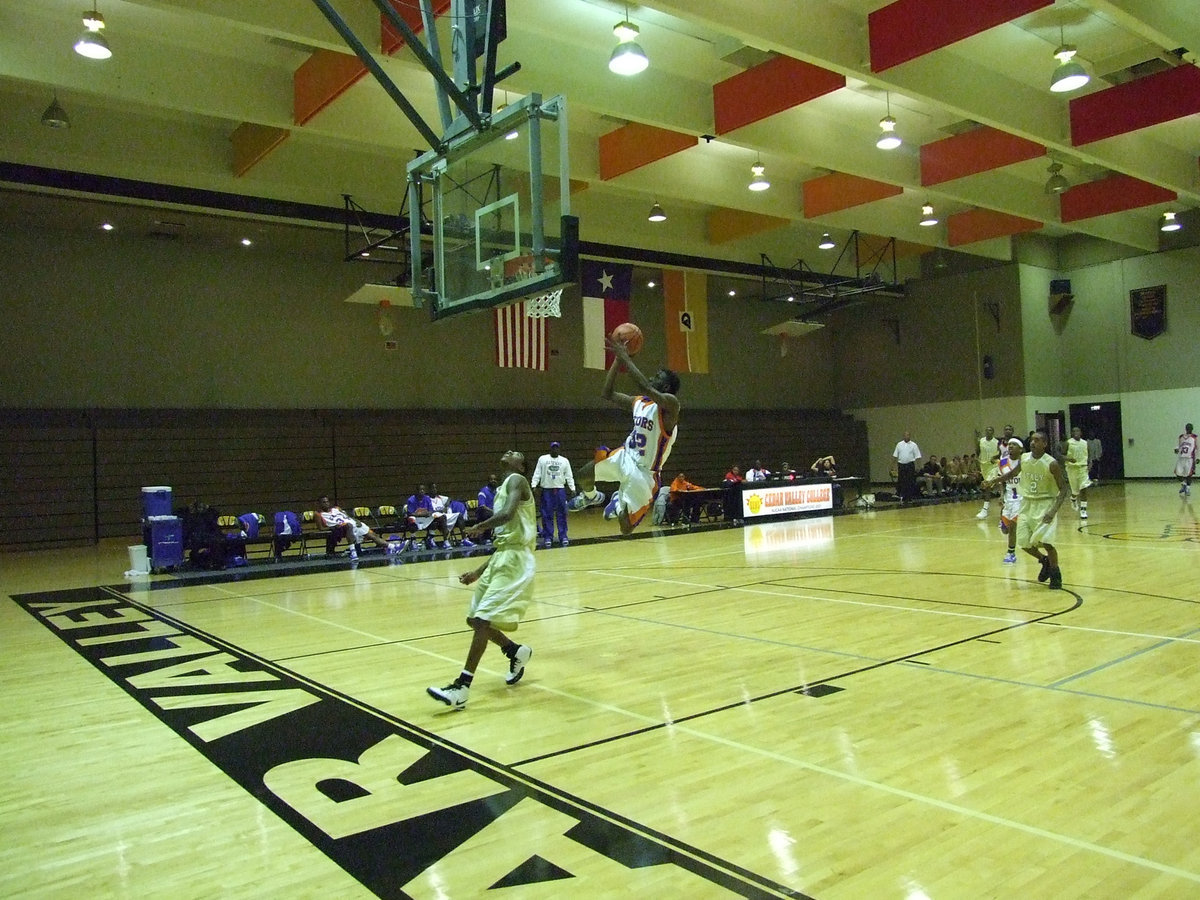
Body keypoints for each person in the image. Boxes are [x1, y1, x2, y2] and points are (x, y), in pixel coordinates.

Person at [426, 450, 536, 710]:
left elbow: (508, 515)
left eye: (515, 453)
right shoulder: (502, 488)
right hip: (504, 557)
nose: (508, 452)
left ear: (521, 466)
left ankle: (462, 688)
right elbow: (505, 543)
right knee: (474, 620)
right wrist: (478, 572)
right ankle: (514, 651)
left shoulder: (518, 480)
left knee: (484, 621)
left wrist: (480, 526)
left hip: (517, 561)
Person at [570, 335, 680, 535]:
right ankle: (592, 496)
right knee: (583, 475)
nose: (651, 378)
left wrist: (625, 357)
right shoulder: (639, 402)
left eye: (657, 378)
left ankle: (618, 504)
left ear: (665, 388)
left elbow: (645, 386)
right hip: (625, 456)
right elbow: (607, 393)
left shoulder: (671, 406)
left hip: (645, 473)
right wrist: (617, 361)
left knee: (626, 529)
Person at [984, 430, 1069, 589]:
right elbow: (1012, 473)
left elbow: (1063, 489)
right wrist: (994, 481)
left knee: (1046, 542)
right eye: (1032, 440)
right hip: (1027, 503)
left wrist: (1053, 511)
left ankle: (1056, 573)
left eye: (1037, 440)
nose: (1033, 443)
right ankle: (1044, 561)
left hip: (1045, 504)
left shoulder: (1051, 463)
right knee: (1023, 542)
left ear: (1044, 444)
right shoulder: (1024, 458)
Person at [316, 496, 393, 559]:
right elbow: (321, 528)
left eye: (327, 501)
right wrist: (332, 527)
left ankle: (393, 547)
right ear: (319, 504)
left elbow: (347, 517)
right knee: (348, 525)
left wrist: (356, 520)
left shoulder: (336, 509)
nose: (326, 503)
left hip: (353, 524)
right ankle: (353, 552)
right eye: (324, 502)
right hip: (340, 528)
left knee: (373, 535)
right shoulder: (318, 514)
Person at [530, 441, 576, 547]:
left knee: (562, 514)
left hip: (560, 489)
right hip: (547, 490)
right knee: (547, 514)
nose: (555, 449)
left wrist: (572, 488)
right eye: (553, 448)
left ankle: (563, 536)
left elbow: (569, 475)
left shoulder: (564, 461)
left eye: (557, 448)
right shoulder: (543, 459)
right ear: (550, 449)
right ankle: (548, 537)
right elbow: (537, 473)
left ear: (559, 449)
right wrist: (534, 485)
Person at [996, 437, 1023, 564]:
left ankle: (1011, 553)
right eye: (1010, 444)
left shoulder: (1025, 462)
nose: (1010, 446)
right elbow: (1001, 480)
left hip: (1022, 499)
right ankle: (1003, 518)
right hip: (1008, 499)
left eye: (1014, 444)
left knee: (1013, 527)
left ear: (1021, 449)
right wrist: (1001, 495)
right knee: (1005, 530)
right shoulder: (1002, 462)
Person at [405, 484, 450, 550]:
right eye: (420, 490)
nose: (422, 491)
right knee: (411, 519)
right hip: (416, 518)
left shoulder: (427, 498)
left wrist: (429, 513)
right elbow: (410, 513)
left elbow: (431, 510)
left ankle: (432, 539)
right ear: (417, 491)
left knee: (437, 518)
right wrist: (420, 514)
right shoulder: (411, 500)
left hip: (426, 518)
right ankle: (413, 540)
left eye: (423, 490)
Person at [1064, 426, 1092, 519]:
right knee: (1075, 491)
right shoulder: (1068, 443)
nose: (1076, 432)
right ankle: (1073, 498)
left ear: (1081, 433)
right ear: (1071, 433)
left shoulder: (1085, 443)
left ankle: (1083, 510)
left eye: (1078, 430)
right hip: (1072, 468)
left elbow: (1089, 454)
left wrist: (1090, 463)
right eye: (1074, 431)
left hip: (1082, 468)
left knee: (1083, 488)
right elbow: (1061, 455)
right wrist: (1068, 458)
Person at [976, 426, 1000, 518]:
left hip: (993, 466)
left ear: (993, 432)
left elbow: (1000, 453)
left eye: (990, 430)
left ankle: (985, 509)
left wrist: (994, 458)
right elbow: (978, 451)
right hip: (984, 466)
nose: (988, 432)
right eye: (987, 430)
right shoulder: (981, 441)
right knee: (988, 486)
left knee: (987, 486)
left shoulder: (996, 442)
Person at [892, 431, 922, 502]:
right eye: (905, 435)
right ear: (903, 436)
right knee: (901, 480)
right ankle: (902, 495)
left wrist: (918, 466)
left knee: (910, 481)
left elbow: (917, 456)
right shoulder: (899, 444)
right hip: (901, 464)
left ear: (910, 436)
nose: (906, 436)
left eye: (908, 435)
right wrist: (893, 466)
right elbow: (895, 456)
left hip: (909, 465)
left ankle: (909, 497)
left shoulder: (914, 445)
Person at [474, 473, 499, 543]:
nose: (493, 481)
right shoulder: (483, 492)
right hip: (483, 514)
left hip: (495, 512)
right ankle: (486, 537)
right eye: (491, 479)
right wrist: (493, 512)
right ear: (488, 481)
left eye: (495, 479)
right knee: (487, 514)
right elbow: (482, 506)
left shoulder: (498, 491)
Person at [1176, 423, 1197, 496]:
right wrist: (1177, 449)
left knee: (1189, 474)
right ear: (1186, 428)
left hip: (1190, 458)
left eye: (1190, 428)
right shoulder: (1181, 437)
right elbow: (1179, 446)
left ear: (1192, 428)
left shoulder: (1195, 437)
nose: (1189, 429)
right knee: (1178, 473)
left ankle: (1188, 488)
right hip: (1181, 458)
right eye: (1188, 427)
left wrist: (1198, 458)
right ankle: (1184, 484)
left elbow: (1198, 448)